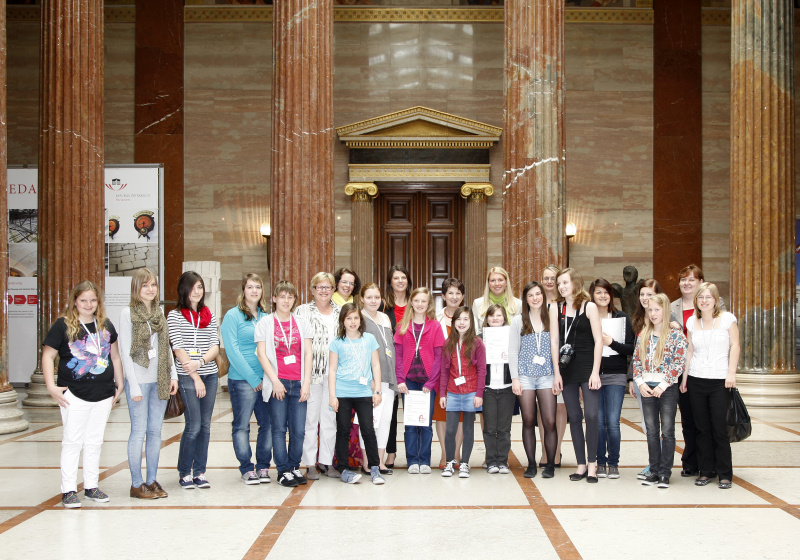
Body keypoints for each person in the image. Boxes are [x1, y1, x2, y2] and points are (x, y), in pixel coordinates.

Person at [43, 280, 124, 509]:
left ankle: (91, 486)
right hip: (74, 394)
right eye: (83, 300)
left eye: (93, 300)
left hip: (104, 393)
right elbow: (48, 356)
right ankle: (68, 490)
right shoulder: (63, 325)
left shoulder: (105, 325)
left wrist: (120, 383)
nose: (89, 304)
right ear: (75, 302)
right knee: (72, 441)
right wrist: (50, 386)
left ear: (98, 302)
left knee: (95, 441)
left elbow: (114, 357)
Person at [119, 269, 178, 499]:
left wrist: (173, 375)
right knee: (139, 431)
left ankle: (152, 480)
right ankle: (136, 484)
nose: (151, 289)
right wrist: (132, 385)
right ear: (136, 288)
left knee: (155, 432)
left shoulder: (159, 313)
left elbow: (166, 347)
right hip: (140, 381)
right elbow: (125, 352)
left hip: (159, 379)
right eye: (145, 285)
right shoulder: (127, 313)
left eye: (153, 285)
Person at [255, 280, 313, 488]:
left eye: (290, 297)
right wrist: (275, 381)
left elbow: (308, 353)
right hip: (277, 384)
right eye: (282, 296)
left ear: (294, 300)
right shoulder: (265, 323)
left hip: (298, 383)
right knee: (279, 429)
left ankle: (294, 466)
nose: (286, 301)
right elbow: (262, 355)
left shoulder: (302, 323)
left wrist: (306, 383)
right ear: (274, 298)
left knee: (298, 430)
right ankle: (282, 470)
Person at [681, 282, 739, 490]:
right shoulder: (691, 322)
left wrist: (731, 373)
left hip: (719, 381)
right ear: (696, 300)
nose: (704, 301)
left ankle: (724, 473)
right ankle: (706, 471)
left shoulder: (727, 319)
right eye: (701, 297)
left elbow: (735, 346)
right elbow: (689, 351)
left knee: (719, 428)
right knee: (701, 428)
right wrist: (685, 378)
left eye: (708, 297)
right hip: (697, 379)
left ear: (715, 299)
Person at [669, 264, 724, 478]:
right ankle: (690, 461)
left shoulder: (717, 307)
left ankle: (711, 463)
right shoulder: (671, 307)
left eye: (692, 279)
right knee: (690, 420)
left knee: (711, 420)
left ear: (701, 283)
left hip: (709, 371)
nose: (687, 283)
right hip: (681, 371)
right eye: (683, 279)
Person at [168, 271, 221, 490]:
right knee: (194, 425)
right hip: (187, 376)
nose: (197, 291)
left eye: (200, 287)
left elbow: (214, 346)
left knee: (206, 426)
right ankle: (184, 472)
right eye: (193, 287)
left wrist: (200, 364)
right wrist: (195, 376)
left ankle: (199, 471)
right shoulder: (174, 316)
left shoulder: (208, 314)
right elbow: (178, 348)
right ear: (184, 289)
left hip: (209, 373)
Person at [551, 268, 603, 483]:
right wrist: (556, 373)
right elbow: (554, 341)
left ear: (575, 283)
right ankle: (581, 464)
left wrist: (595, 372)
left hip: (588, 367)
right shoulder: (555, 307)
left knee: (591, 415)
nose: (562, 286)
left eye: (565, 282)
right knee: (574, 416)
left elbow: (599, 340)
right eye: (559, 283)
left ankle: (593, 464)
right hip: (567, 368)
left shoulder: (588, 306)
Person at [221, 273, 273, 486]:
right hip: (242, 381)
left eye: (258, 287)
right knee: (242, 426)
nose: (254, 291)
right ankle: (246, 468)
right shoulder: (232, 316)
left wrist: (268, 377)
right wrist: (252, 379)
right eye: (250, 287)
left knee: (267, 425)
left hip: (266, 380)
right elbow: (232, 352)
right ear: (243, 290)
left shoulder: (265, 316)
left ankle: (262, 466)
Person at [632, 294, 687, 488]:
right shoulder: (644, 334)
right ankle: (654, 470)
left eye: (657, 309)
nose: (653, 314)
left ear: (665, 310)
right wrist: (640, 383)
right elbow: (636, 361)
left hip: (667, 388)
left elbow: (679, 361)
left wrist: (664, 384)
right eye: (650, 310)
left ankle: (665, 472)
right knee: (652, 431)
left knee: (668, 431)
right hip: (647, 387)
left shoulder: (675, 335)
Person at [329, 303, 385, 485]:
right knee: (343, 431)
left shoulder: (369, 339)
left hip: (364, 392)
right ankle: (344, 469)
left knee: (368, 430)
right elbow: (332, 370)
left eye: (355, 318)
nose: (352, 322)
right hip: (343, 393)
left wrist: (377, 391)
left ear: (360, 320)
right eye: (348, 318)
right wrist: (332, 395)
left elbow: (376, 365)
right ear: (342, 321)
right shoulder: (337, 342)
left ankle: (374, 467)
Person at [509, 281, 559, 479]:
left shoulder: (551, 317)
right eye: (531, 295)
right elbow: (513, 351)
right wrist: (515, 379)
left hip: (547, 375)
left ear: (543, 296)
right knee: (528, 421)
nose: (535, 298)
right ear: (526, 299)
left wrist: (557, 375)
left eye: (538, 294)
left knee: (549, 421)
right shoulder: (518, 320)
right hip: (525, 376)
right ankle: (530, 464)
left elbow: (555, 345)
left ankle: (550, 465)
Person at [295, 272, 341, 480]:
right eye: (319, 287)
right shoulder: (302, 312)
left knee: (330, 419)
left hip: (334, 377)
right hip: (311, 376)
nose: (324, 290)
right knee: (310, 421)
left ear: (333, 290)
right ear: (312, 289)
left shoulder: (340, 312)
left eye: (328, 287)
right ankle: (309, 463)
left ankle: (327, 461)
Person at [395, 287, 445, 474]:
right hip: (408, 382)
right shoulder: (402, 326)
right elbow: (398, 356)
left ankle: (424, 460)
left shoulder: (434, 326)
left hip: (427, 384)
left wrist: (431, 383)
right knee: (410, 423)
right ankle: (412, 461)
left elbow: (439, 357)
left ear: (429, 303)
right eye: (416, 301)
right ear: (411, 303)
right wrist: (400, 380)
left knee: (425, 423)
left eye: (424, 301)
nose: (420, 304)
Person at [590, 278, 634, 480]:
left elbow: (630, 349)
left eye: (606, 292)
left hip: (616, 375)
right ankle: (600, 462)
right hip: (594, 376)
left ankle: (613, 463)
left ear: (611, 295)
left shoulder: (621, 317)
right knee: (598, 422)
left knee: (613, 422)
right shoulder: (587, 318)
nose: (602, 296)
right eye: (598, 292)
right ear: (592, 295)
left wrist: (612, 343)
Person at [439, 307, 486, 478]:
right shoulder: (448, 343)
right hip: (452, 392)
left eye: (466, 319)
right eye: (458, 319)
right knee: (450, 430)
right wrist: (443, 394)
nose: (462, 322)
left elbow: (482, 370)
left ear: (471, 322)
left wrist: (479, 394)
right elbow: (444, 371)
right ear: (454, 322)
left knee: (468, 429)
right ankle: (450, 461)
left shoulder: (477, 343)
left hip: (471, 392)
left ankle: (465, 462)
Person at [360, 283, 397, 473]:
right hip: (370, 379)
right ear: (362, 299)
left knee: (385, 421)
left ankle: (380, 461)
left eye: (376, 297)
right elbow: (358, 352)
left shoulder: (384, 318)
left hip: (389, 377)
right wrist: (370, 380)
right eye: (369, 297)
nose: (373, 301)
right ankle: (368, 461)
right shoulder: (359, 319)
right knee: (368, 422)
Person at [380, 265, 412, 468]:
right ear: (390, 282)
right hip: (389, 363)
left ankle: (415, 455)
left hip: (411, 363)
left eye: (403, 277)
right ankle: (390, 453)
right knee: (389, 412)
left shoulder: (415, 303)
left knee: (411, 411)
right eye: (396, 278)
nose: (400, 281)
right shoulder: (384, 306)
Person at [481, 304, 517, 476]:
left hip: (506, 387)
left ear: (504, 318)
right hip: (487, 388)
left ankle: (502, 461)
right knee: (489, 428)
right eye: (491, 315)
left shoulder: (512, 337)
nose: (495, 318)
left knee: (504, 428)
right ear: (486, 318)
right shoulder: (480, 338)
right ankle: (490, 461)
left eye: (499, 315)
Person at [434, 278, 466, 467]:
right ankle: (445, 454)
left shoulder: (468, 317)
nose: (454, 297)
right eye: (450, 293)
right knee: (442, 414)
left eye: (458, 293)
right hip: (441, 374)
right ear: (443, 296)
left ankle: (456, 453)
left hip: (463, 375)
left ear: (462, 296)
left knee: (460, 415)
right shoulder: (436, 318)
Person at [539, 265, 567, 470]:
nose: (549, 282)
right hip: (539, 361)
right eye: (546, 278)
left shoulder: (565, 304)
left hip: (562, 362)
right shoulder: (536, 302)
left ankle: (556, 450)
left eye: (553, 278)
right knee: (543, 408)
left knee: (559, 407)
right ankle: (544, 450)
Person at [472, 266, 521, 335]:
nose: (497, 284)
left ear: (506, 282)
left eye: (500, 280)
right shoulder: (477, 303)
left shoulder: (518, 304)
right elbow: (474, 332)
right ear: (488, 283)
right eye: (493, 280)